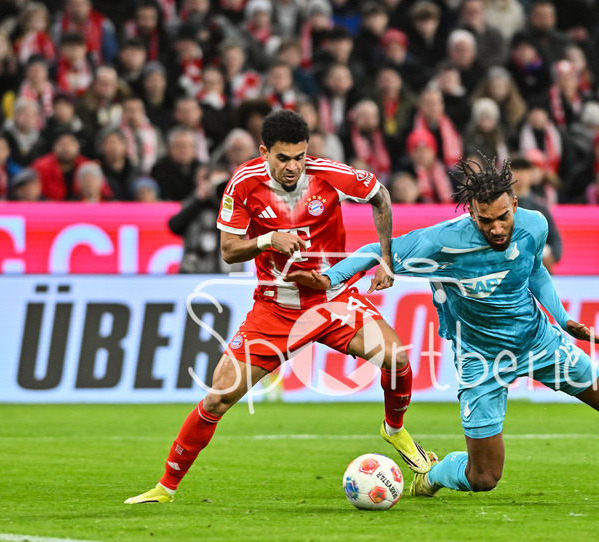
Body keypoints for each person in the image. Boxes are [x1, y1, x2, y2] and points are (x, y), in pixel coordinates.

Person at [290, 157, 599, 500]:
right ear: (470, 213)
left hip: (539, 341)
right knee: (484, 479)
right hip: (479, 360)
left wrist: (563, 317)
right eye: (485, 220)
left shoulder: (533, 225)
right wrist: (329, 279)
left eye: (503, 217)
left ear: (515, 203)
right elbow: (376, 250)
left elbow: (534, 272)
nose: (497, 229)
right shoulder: (442, 242)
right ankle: (433, 474)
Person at [124, 110, 433, 504]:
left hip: (333, 301)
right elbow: (229, 250)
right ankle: (164, 488)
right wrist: (268, 239)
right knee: (218, 396)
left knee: (397, 359)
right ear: (264, 151)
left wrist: (386, 260)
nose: (293, 167)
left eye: (300, 157)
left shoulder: (329, 173)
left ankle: (394, 429)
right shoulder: (242, 184)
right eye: (283, 158)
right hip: (276, 310)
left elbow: (381, 197)